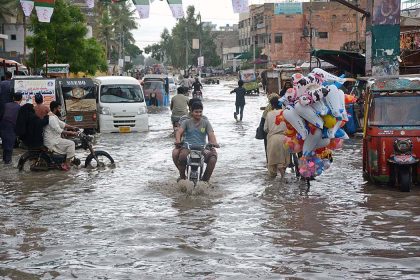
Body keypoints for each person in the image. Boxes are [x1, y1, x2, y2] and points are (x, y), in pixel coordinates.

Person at [174, 101, 219, 182]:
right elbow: (179, 132)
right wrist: (177, 141)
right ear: (191, 112)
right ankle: (182, 177)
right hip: (187, 148)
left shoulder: (206, 123)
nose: (198, 114)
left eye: (200, 112)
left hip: (203, 149)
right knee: (182, 157)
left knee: (213, 158)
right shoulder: (186, 122)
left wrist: (214, 143)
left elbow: (211, 134)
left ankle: (205, 181)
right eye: (196, 112)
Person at [44, 101, 79, 171]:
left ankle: (63, 161)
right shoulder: (52, 118)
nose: (60, 110)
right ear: (55, 109)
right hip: (52, 141)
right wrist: (71, 133)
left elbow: (62, 124)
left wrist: (73, 127)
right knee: (71, 144)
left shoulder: (53, 116)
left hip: (54, 139)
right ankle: (66, 164)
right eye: (59, 108)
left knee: (68, 143)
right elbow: (59, 130)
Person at [264, 95, 290, 179]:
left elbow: (265, 128)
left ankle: (273, 187)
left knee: (272, 164)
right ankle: (283, 178)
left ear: (271, 105)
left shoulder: (269, 114)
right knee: (283, 162)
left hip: (273, 139)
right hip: (285, 139)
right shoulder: (286, 112)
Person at [0, 92, 22, 164]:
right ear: (21, 99)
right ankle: (7, 164)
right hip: (11, 127)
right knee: (9, 147)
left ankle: (4, 161)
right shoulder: (19, 108)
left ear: (13, 98)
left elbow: (1, 115)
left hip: (3, 126)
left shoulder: (6, 105)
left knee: (5, 145)